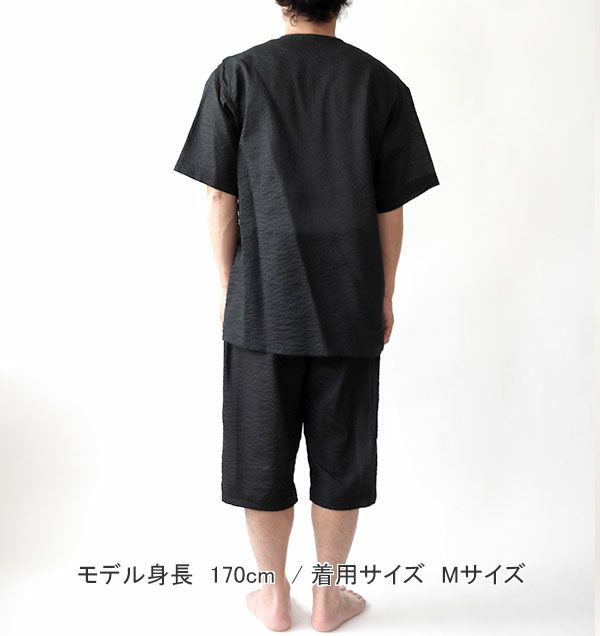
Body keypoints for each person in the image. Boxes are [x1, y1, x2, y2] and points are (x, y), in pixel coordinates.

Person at [174, 0, 439, 630]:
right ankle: (327, 597)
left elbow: (219, 194)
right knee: (342, 456)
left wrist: (229, 287)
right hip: (350, 301)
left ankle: (271, 597)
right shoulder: (380, 84)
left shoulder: (238, 75)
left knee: (259, 455)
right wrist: (384, 293)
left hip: (262, 300)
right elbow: (390, 208)